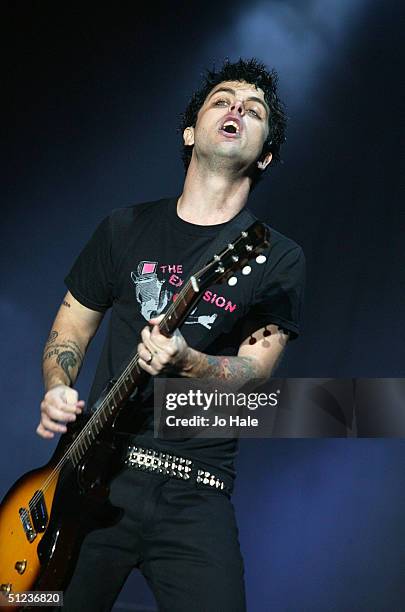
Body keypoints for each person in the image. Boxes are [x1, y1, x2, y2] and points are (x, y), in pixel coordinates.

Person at [37, 57, 306, 612]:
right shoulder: (124, 227)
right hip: (93, 474)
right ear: (191, 131)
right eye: (222, 101)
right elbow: (69, 330)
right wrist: (57, 385)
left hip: (195, 489)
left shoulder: (276, 256)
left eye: (253, 112)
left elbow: (255, 374)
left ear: (266, 154)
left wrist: (189, 362)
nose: (237, 109)